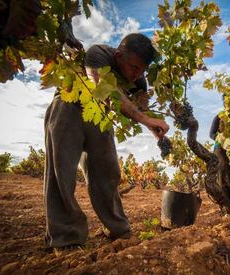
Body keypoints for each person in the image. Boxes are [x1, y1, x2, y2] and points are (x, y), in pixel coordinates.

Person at [44, 33, 169, 249]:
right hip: (69, 104)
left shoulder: (139, 80)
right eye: (133, 67)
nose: (137, 74)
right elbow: (106, 91)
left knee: (108, 172)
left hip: (100, 116)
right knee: (61, 172)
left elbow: (141, 110)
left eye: (142, 69)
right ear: (119, 55)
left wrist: (153, 130)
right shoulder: (98, 54)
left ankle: (117, 228)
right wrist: (147, 119)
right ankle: (65, 238)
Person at [209, 113, 230, 199]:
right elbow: (211, 134)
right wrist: (223, 139)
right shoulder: (219, 116)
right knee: (223, 172)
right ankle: (226, 205)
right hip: (220, 147)